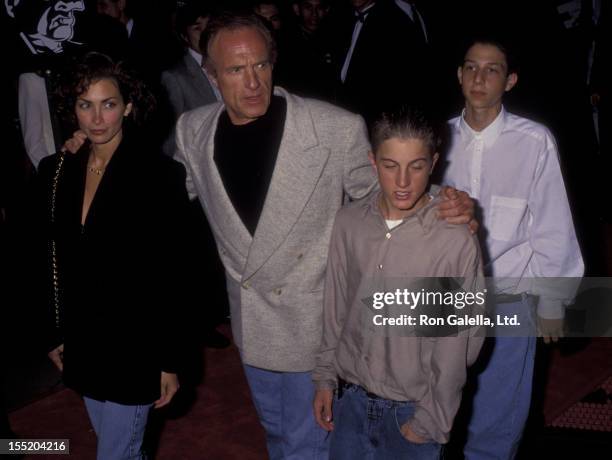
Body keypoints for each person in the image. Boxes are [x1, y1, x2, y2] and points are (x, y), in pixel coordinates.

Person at [172, 10, 476, 459]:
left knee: (306, 445)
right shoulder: (191, 131)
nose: (253, 81)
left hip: (315, 325)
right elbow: (157, 203)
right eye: (236, 70)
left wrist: (443, 201)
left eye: (261, 65)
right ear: (211, 73)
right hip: (251, 321)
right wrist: (91, 152)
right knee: (277, 435)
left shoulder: (333, 128)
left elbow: (388, 192)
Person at [36, 52, 190, 459]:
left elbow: (172, 276)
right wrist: (54, 332)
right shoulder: (58, 170)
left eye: (109, 104)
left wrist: (169, 360)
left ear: (129, 106)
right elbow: (50, 256)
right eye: (86, 105)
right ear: (73, 109)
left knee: (115, 454)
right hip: (84, 342)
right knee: (120, 449)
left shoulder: (159, 175)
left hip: (136, 346)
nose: (97, 118)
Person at [312, 106, 485, 459]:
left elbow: (456, 346)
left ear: (434, 162)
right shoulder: (348, 223)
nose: (403, 182)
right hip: (352, 400)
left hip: (412, 412)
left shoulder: (452, 241)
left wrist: (431, 420)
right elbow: (335, 309)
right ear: (373, 161)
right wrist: (325, 377)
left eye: (416, 166)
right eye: (390, 166)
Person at [442, 37, 584, 459]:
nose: (479, 78)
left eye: (492, 70)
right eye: (470, 67)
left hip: (509, 294)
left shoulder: (534, 141)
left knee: (499, 413)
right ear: (459, 75)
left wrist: (553, 302)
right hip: (445, 294)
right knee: (436, 403)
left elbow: (551, 224)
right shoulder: (438, 140)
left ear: (510, 80)